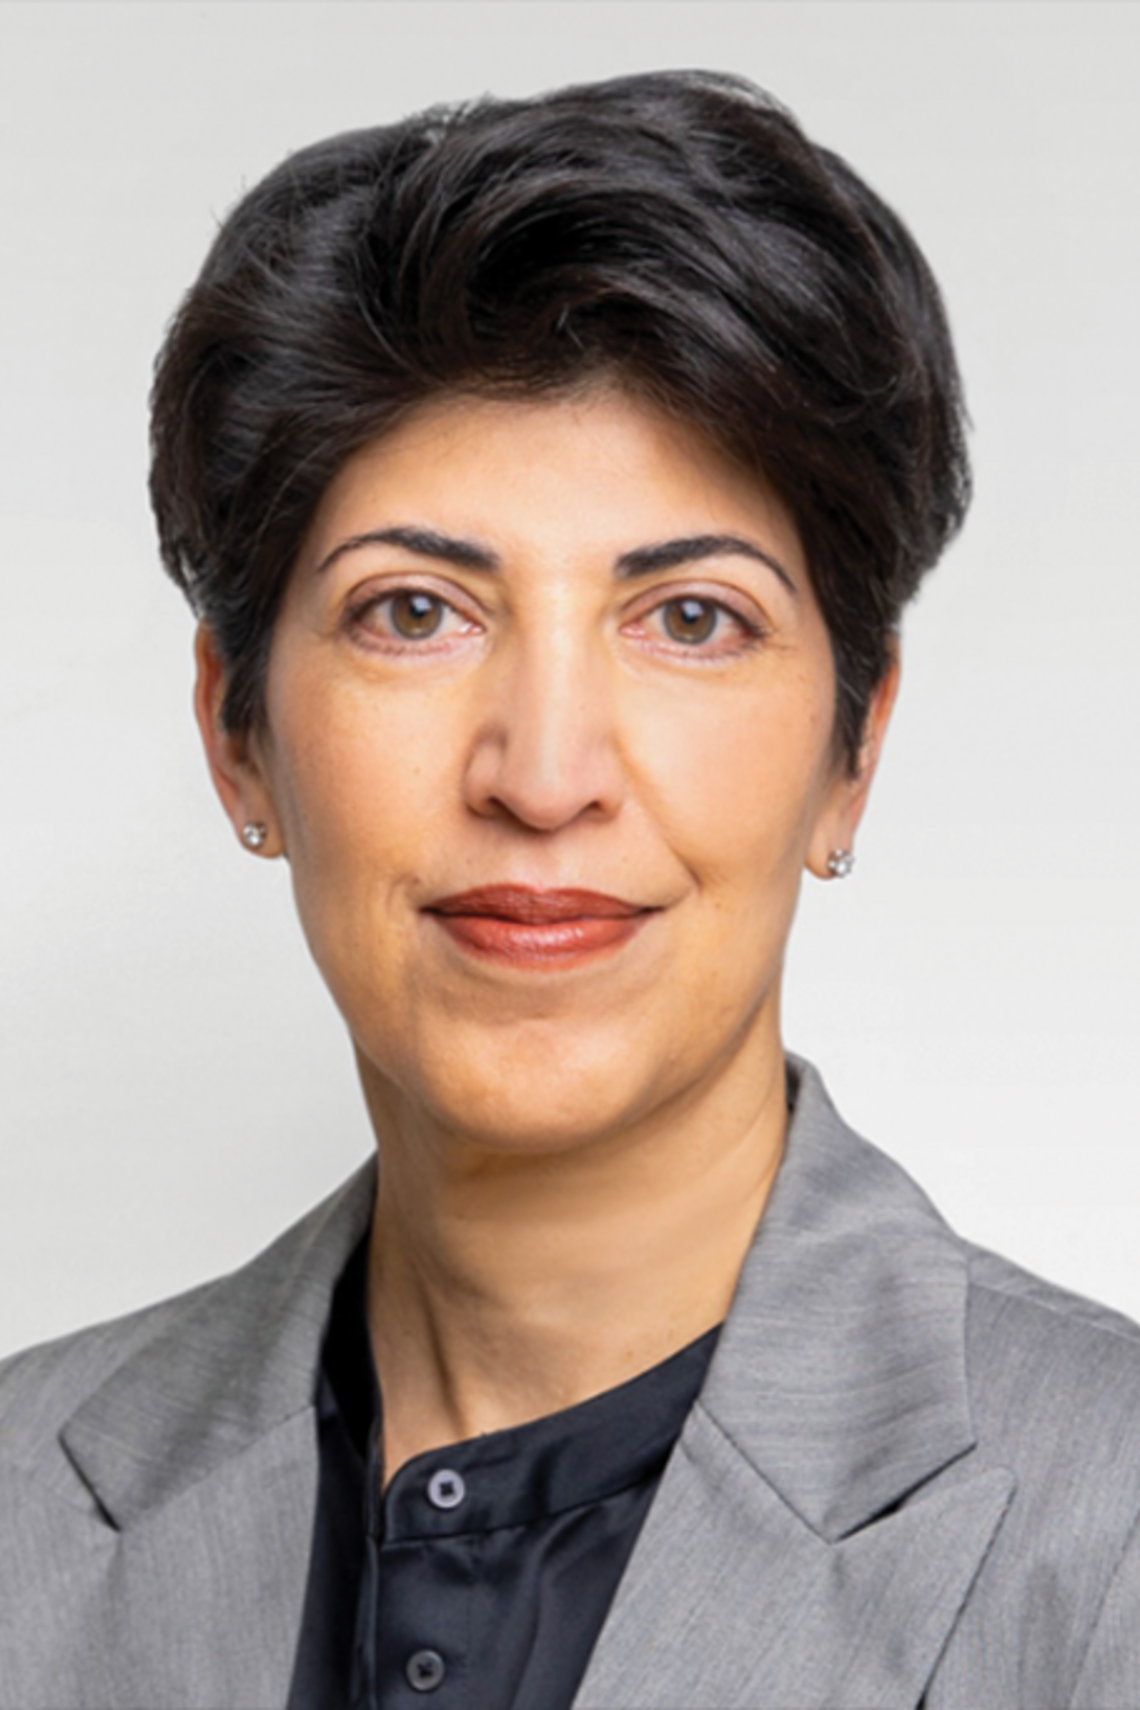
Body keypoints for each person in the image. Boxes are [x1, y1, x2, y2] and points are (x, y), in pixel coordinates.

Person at [2, 67, 1138, 1710]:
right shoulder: (21, 1508)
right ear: (237, 734)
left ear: (854, 749)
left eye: (692, 619)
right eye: (413, 612)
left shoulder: (1106, 1528)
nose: (543, 773)